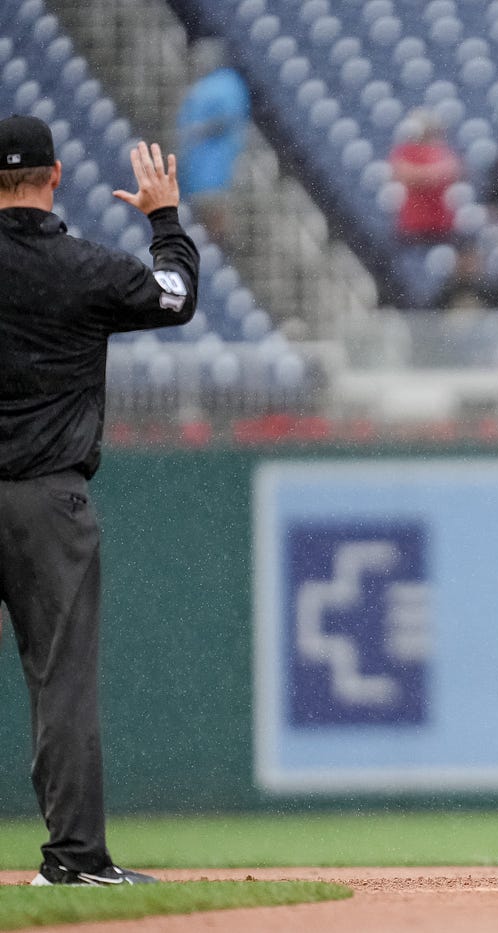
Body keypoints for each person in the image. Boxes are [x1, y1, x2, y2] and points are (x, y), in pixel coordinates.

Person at [0, 115, 199, 885]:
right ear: (54, 177)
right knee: (62, 685)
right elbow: (176, 295)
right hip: (50, 499)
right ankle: (74, 859)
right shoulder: (81, 267)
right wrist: (163, 219)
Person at [174, 38, 249, 249]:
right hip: (197, 165)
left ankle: (223, 247)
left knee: (216, 211)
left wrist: (203, 129)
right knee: (202, 213)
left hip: (217, 164)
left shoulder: (227, 83)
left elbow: (229, 118)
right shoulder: (200, 87)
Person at [388, 109, 462, 246]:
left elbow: (452, 171)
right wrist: (431, 175)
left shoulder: (442, 151)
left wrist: (425, 176)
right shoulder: (405, 151)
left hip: (442, 225)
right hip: (413, 226)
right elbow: (405, 175)